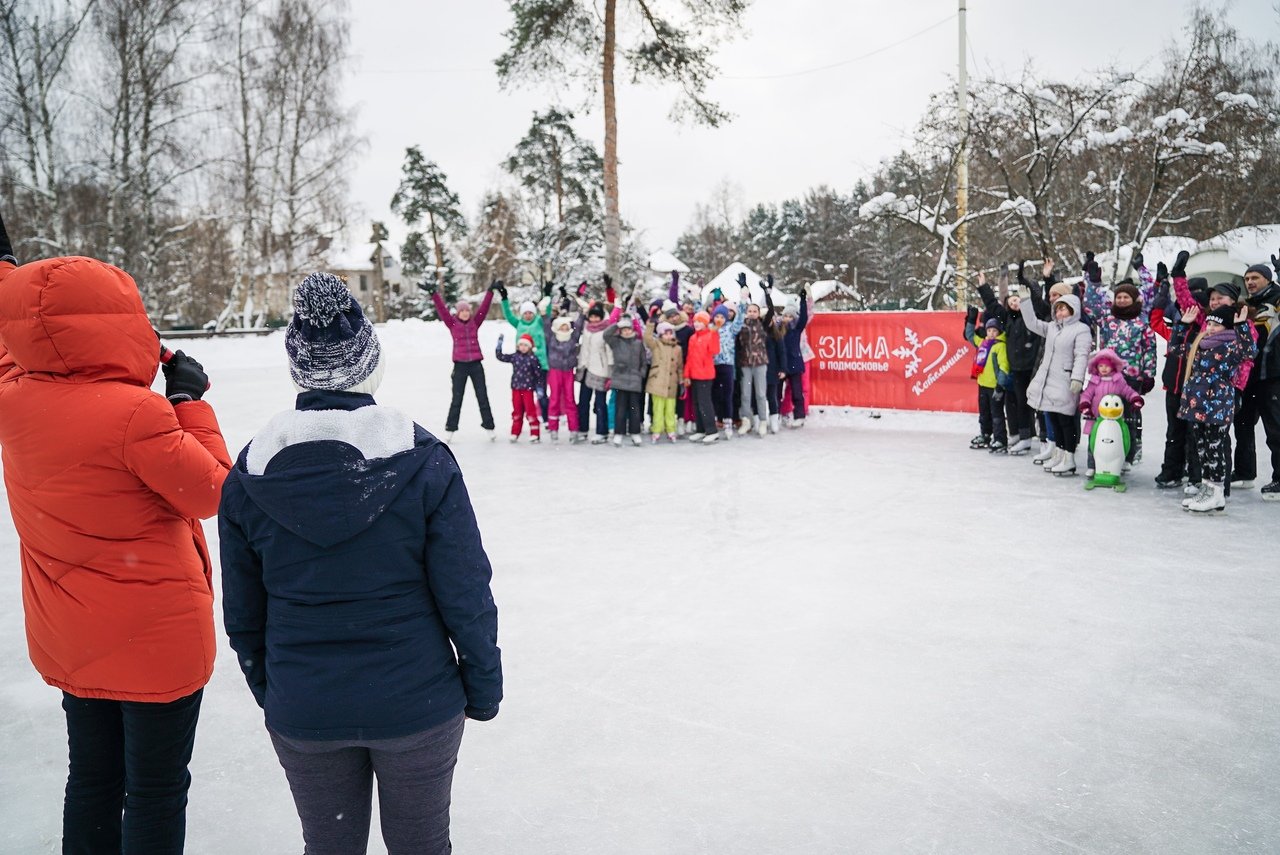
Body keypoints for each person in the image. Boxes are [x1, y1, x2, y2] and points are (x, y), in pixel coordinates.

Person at [219, 272, 501, 855]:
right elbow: (466, 593)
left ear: (299, 369)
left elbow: (244, 615)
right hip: (417, 703)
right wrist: (482, 686)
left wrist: (276, 692)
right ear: (368, 365)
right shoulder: (422, 459)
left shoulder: (250, 472)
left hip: (306, 706)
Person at [0, 212, 232, 854]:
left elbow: (16, 332)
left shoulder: (13, 397)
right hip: (155, 641)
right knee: (155, 791)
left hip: (72, 636)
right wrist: (190, 402)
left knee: (94, 779)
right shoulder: (136, 414)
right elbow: (216, 491)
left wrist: (6, 273)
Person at [1170, 302, 1254, 513]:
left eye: (1216, 325)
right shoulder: (1201, 344)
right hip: (1196, 403)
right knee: (1202, 448)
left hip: (1217, 404)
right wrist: (1182, 325)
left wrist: (1242, 326)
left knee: (1215, 448)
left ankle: (1217, 492)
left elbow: (1249, 352)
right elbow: (1175, 348)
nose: (1210, 328)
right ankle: (1206, 488)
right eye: (1209, 323)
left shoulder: (1232, 346)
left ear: (1227, 327)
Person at [1020, 292, 1091, 476]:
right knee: (1053, 419)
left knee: (1066, 421)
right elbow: (1032, 323)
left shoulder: (1081, 329)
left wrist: (1077, 378)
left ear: (1073, 310)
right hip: (1048, 380)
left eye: (1064, 309)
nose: (1060, 313)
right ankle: (1059, 454)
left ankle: (1069, 457)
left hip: (1066, 381)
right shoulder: (1052, 327)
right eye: (1057, 309)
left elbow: (1081, 355)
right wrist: (1025, 301)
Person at [428, 277, 497, 442]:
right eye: (462, 310)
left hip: (476, 365)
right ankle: (450, 429)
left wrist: (490, 291)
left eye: (467, 310)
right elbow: (442, 310)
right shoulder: (452, 324)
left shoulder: (475, 322)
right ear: (458, 313)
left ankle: (489, 427)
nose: (465, 313)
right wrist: (434, 294)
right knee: (457, 398)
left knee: (482, 396)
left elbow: (484, 308)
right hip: (460, 366)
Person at [1237, 258, 1280, 498]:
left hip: (1272, 374)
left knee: (1275, 429)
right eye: (1247, 279)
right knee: (1242, 424)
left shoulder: (1276, 300)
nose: (1250, 282)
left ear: (1268, 279)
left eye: (1255, 278)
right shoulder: (1247, 306)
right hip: (1249, 376)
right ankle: (1244, 472)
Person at [1077, 349, 1143, 477]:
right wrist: (1085, 405)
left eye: (1106, 365)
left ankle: (1116, 464)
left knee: (1115, 442)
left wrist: (1135, 398)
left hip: (1115, 420)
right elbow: (1086, 394)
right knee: (1094, 443)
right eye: (1101, 366)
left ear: (1112, 366)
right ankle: (1092, 465)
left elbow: (1127, 391)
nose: (1103, 369)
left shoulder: (1118, 381)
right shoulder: (1094, 381)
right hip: (1096, 419)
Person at [964, 310, 1011, 453]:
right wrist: (971, 321)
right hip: (982, 384)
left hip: (994, 385)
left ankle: (1000, 438)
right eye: (989, 330)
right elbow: (970, 336)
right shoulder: (983, 343)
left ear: (999, 332)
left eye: (994, 330)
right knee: (984, 412)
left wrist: (1000, 385)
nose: (991, 333)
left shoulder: (1000, 346)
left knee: (996, 413)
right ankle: (985, 434)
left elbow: (1004, 367)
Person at [736, 278, 776, 437]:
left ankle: (763, 421)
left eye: (755, 311)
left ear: (759, 313)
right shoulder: (740, 324)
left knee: (760, 393)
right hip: (745, 364)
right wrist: (743, 294)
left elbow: (771, 310)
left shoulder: (763, 324)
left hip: (760, 363)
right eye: (750, 311)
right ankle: (746, 420)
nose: (752, 313)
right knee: (745, 393)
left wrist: (767, 294)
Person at [604, 313, 648, 446]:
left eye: (628, 329)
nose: (626, 331)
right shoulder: (616, 342)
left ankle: (635, 432)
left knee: (634, 409)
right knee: (620, 409)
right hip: (620, 380)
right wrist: (617, 324)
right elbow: (606, 335)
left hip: (634, 380)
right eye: (624, 329)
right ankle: (619, 433)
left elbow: (643, 361)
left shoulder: (638, 343)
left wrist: (641, 373)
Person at [544, 307, 586, 442]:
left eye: (566, 327)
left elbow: (578, 327)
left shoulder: (572, 339)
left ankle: (573, 429)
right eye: (561, 327)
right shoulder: (552, 338)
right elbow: (545, 326)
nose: (564, 330)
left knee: (570, 400)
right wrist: (544, 313)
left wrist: (583, 313)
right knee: (554, 399)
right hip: (555, 371)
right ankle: (553, 428)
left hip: (568, 372)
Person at [643, 317, 685, 443]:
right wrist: (650, 324)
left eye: (670, 333)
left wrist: (681, 381)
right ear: (661, 334)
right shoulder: (657, 345)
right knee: (658, 408)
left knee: (671, 409)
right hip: (658, 383)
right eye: (665, 333)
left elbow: (680, 367)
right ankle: (657, 429)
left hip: (671, 384)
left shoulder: (678, 349)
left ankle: (671, 429)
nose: (668, 335)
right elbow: (647, 338)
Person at [496, 332, 543, 442]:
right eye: (521, 345)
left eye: (526, 345)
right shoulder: (515, 356)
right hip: (516, 388)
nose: (523, 347)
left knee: (530, 411)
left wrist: (540, 387)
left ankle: (535, 433)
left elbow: (538, 374)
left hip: (528, 389)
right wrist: (499, 345)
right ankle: (515, 432)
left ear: (530, 347)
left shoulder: (533, 358)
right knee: (517, 411)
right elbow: (500, 357)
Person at [684, 311, 720, 443]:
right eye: (695, 321)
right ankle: (700, 429)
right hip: (694, 375)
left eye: (700, 321)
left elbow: (715, 350)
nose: (697, 324)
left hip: (705, 375)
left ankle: (711, 430)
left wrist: (714, 333)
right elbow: (689, 358)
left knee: (705, 403)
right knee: (696, 403)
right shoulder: (693, 338)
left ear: (705, 323)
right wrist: (686, 375)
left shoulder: (710, 335)